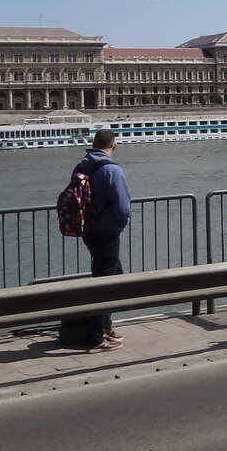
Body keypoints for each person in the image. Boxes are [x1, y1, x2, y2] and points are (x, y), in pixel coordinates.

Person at [75, 128, 131, 352]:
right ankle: (94, 337)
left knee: (113, 275)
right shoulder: (112, 170)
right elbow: (122, 205)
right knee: (103, 283)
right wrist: (122, 223)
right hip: (107, 231)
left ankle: (105, 325)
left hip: (87, 229)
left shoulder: (82, 165)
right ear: (114, 146)